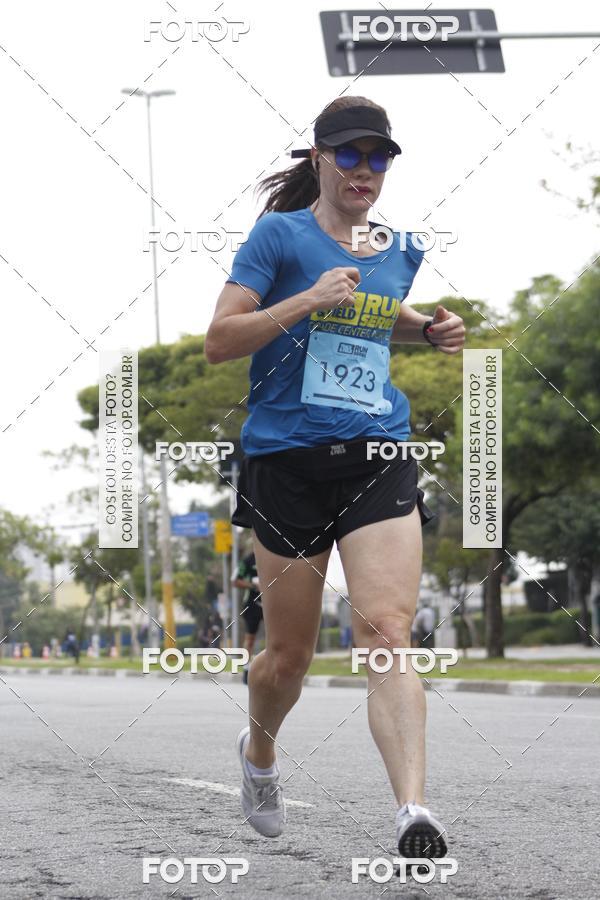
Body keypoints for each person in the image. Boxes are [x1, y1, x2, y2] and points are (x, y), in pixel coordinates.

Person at [205, 96, 465, 859]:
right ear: (318, 158)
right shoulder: (278, 237)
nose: (364, 169)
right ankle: (259, 753)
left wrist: (429, 328)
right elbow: (221, 339)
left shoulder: (400, 248)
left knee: (386, 631)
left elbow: (375, 313)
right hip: (285, 461)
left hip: (377, 451)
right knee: (289, 659)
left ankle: (413, 810)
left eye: (378, 157)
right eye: (349, 154)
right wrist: (307, 299)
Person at [232, 549, 263, 684]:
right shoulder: (248, 560)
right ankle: (246, 669)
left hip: (272, 603)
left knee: (275, 637)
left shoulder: (275, 552)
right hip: (252, 604)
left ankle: (272, 668)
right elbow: (235, 581)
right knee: (250, 638)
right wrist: (253, 585)